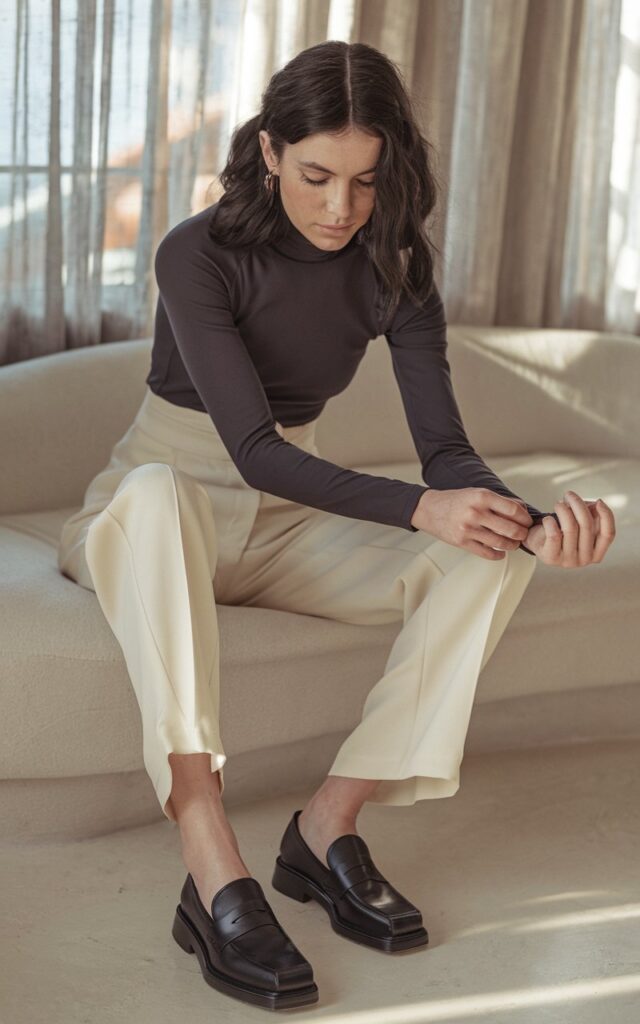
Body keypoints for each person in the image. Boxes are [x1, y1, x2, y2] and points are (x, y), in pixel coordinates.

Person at [57, 39, 615, 1012]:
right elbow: (250, 449)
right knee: (153, 498)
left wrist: (529, 523)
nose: (337, 208)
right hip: (156, 508)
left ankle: (327, 826)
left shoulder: (395, 268)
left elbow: (446, 456)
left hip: (281, 527)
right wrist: (419, 506)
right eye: (315, 175)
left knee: (482, 557)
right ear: (269, 151)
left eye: (363, 181)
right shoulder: (196, 253)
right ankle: (211, 859)